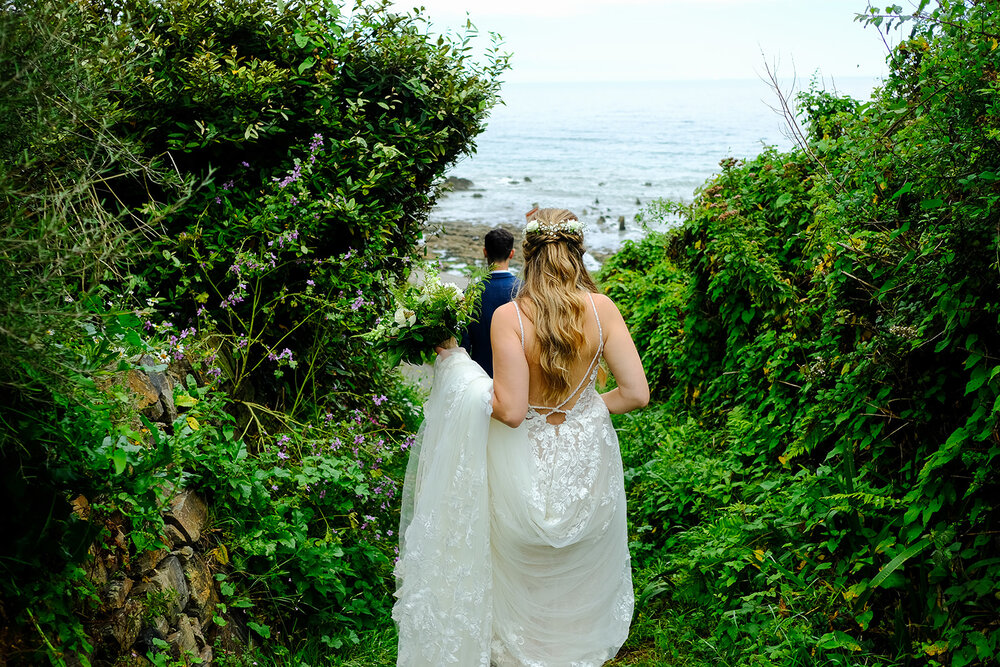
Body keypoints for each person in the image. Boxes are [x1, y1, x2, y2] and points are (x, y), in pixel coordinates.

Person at [393, 208, 649, 667]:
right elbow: (636, 394)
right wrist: (583, 412)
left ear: (527, 256)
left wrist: (455, 366)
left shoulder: (511, 316)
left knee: (515, 563)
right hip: (585, 460)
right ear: (578, 252)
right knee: (574, 569)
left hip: (522, 464)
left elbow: (510, 411)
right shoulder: (602, 309)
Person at [460, 227, 521, 377]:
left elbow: (464, 345)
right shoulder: (524, 290)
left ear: (485, 252)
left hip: (480, 376)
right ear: (512, 253)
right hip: (517, 377)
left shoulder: (470, 293)